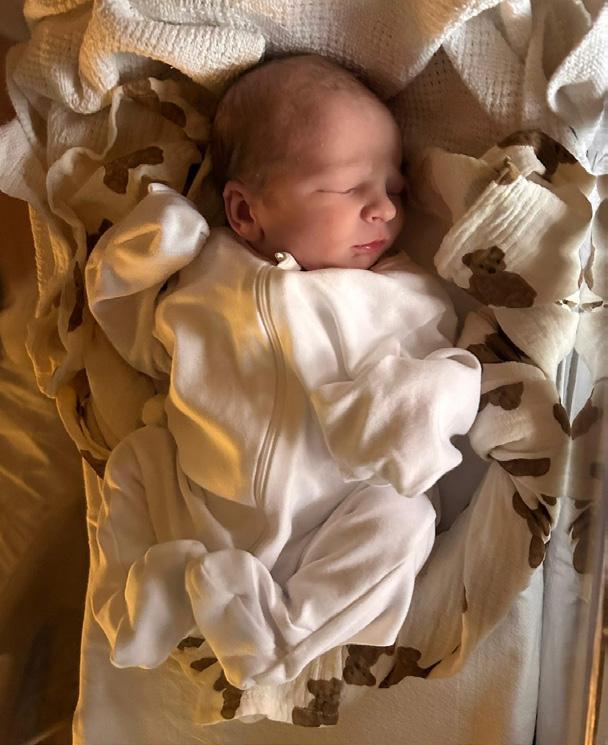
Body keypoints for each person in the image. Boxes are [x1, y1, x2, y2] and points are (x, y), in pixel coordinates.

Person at [86, 54, 481, 690]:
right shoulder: (202, 273)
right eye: (349, 188)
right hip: (198, 507)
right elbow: (134, 339)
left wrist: (408, 406)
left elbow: (456, 371)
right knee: (135, 459)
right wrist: (147, 250)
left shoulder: (398, 293)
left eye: (394, 189)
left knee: (406, 521)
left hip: (330, 523)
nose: (383, 208)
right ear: (245, 213)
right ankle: (134, 602)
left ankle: (282, 636)